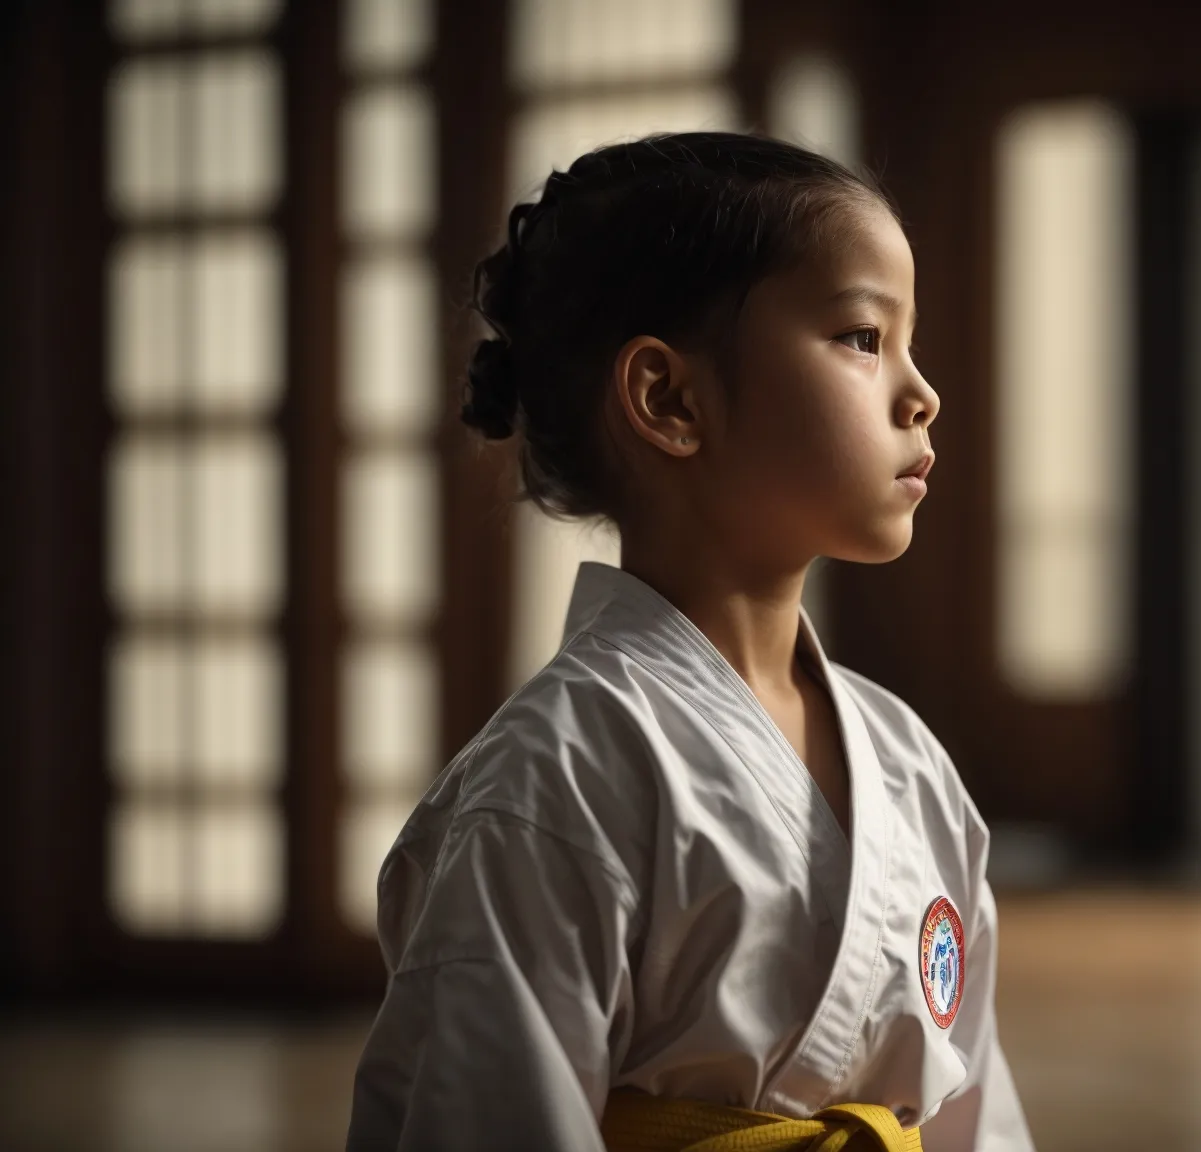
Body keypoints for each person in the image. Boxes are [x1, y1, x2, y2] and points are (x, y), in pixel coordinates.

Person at [345, 132, 1033, 1152]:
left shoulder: (908, 764)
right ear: (668, 399)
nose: (920, 392)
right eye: (860, 337)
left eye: (908, 342)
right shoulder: (552, 784)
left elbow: (977, 1119)